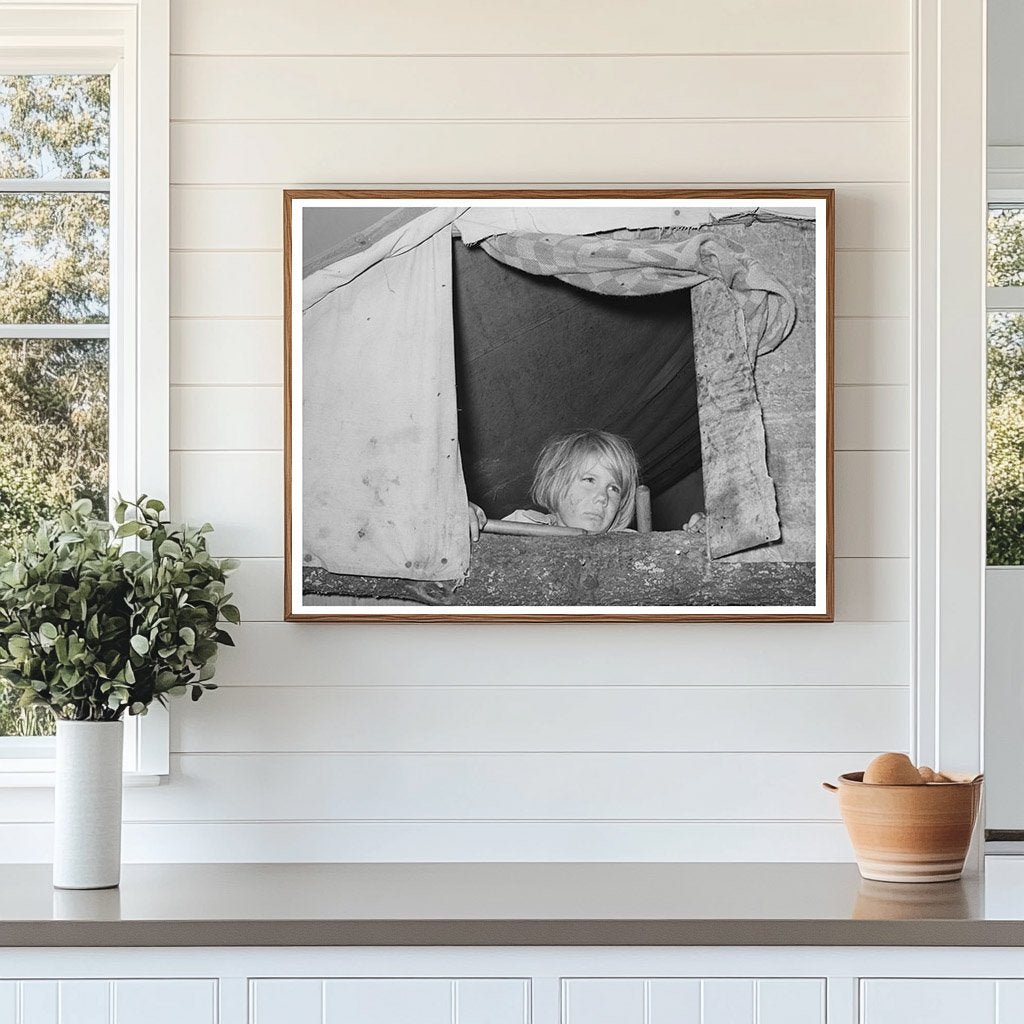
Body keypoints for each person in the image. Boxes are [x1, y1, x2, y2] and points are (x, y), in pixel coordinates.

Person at [468, 429, 641, 541]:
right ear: (556, 483)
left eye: (614, 489)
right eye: (589, 480)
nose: (603, 497)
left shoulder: (628, 546)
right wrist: (467, 519)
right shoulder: (520, 525)